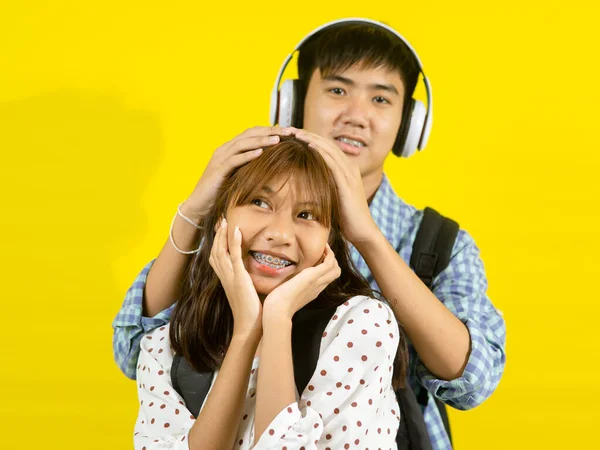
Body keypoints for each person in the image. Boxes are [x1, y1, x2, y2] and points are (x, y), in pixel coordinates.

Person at [114, 18, 506, 450]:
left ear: (408, 123)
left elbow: (474, 380)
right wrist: (194, 210)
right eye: (337, 90)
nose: (356, 116)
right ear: (294, 103)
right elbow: (137, 349)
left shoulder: (437, 242)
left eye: (380, 98)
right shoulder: (238, 231)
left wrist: (368, 237)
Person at [133, 137, 405, 449]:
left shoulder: (360, 325)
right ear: (221, 217)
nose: (279, 233)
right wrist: (246, 332)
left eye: (307, 215)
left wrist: (277, 319)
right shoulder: (165, 348)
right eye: (260, 203)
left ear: (330, 240)